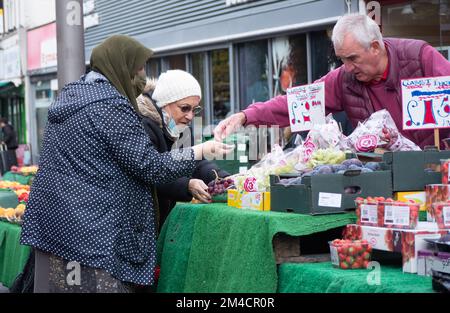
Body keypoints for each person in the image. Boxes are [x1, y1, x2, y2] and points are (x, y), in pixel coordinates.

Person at [19, 35, 233, 293]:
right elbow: (150, 166)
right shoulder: (110, 106)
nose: (142, 77)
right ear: (119, 66)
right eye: (138, 68)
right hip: (91, 235)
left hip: (58, 225)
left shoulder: (74, 95)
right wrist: (200, 151)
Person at [213, 13, 450, 149]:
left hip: (437, 173)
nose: (347, 67)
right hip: (384, 178)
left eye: (352, 58)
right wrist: (246, 116)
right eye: (341, 59)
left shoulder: (420, 58)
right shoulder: (344, 79)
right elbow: (296, 102)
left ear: (375, 47)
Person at [136, 70, 230, 231]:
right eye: (185, 108)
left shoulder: (178, 127)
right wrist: (187, 185)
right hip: (142, 222)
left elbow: (196, 163)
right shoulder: (143, 125)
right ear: (166, 103)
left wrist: (224, 178)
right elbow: (151, 173)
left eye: (195, 110)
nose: (190, 116)